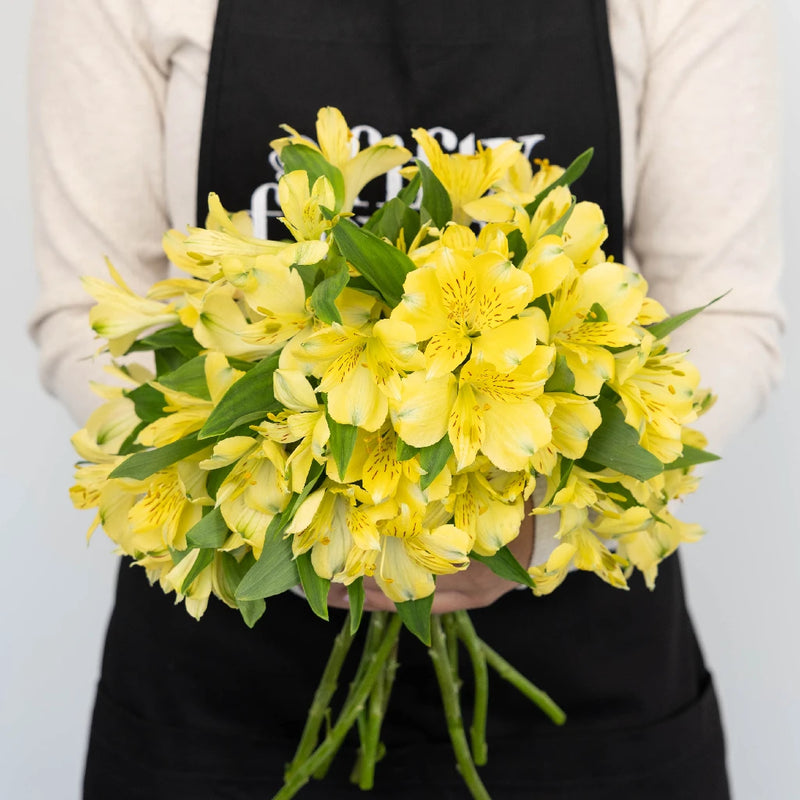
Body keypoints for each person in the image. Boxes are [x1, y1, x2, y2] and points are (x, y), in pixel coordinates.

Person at [28, 0, 783, 798]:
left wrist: (544, 523)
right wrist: (297, 497)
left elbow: (728, 318)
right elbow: (87, 315)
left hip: (585, 693)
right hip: (222, 704)